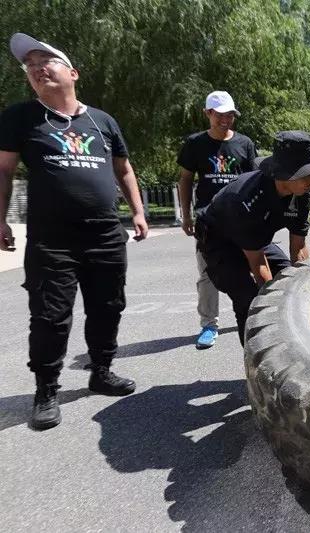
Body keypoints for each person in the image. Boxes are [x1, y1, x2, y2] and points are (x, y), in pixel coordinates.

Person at [0, 33, 148, 430]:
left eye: (45, 60)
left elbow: (123, 169)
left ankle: (101, 371)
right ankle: (46, 390)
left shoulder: (102, 121)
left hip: (105, 234)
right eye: (30, 65)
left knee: (108, 306)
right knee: (50, 316)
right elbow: (4, 171)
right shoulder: (20, 117)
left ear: (73, 73)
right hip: (52, 239)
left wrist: (138, 211)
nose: (36, 68)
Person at [194, 131, 310, 345]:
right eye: (306, 174)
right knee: (249, 299)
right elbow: (258, 263)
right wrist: (278, 309)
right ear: (285, 174)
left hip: (254, 239)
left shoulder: (301, 193)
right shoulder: (247, 199)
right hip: (219, 242)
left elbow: (298, 247)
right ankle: (256, 356)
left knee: (288, 277)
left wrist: (303, 293)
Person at [177, 91, 257, 349]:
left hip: (241, 220)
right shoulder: (195, 144)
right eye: (220, 115)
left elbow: (254, 182)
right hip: (208, 221)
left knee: (252, 267)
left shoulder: (244, 144)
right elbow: (185, 179)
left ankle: (255, 314)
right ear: (208, 113)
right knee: (207, 274)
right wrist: (186, 215)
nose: (225, 120)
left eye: (230, 115)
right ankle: (209, 325)